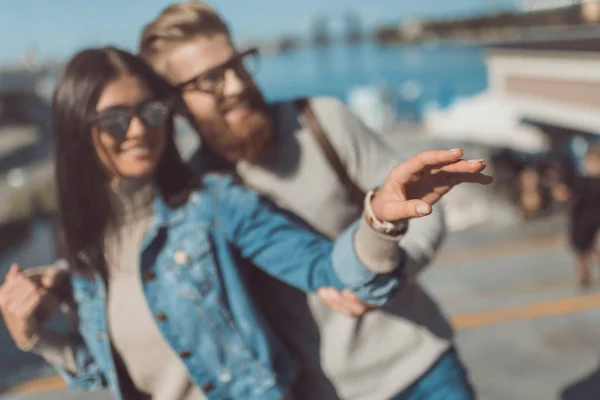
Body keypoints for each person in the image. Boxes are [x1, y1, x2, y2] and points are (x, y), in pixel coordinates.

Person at [0, 47, 491, 400]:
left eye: (149, 111)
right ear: (76, 131)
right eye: (113, 120)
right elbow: (108, 369)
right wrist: (37, 336)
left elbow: (327, 269)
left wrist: (379, 222)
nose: (138, 130)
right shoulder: (85, 246)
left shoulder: (212, 204)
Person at [138, 2, 488, 398]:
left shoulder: (321, 121)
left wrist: (389, 276)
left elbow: (421, 209)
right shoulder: (196, 195)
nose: (236, 85)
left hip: (420, 365)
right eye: (210, 80)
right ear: (176, 104)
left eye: (237, 65)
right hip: (325, 391)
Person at [569, 145, 600, 287]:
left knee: (594, 248)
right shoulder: (581, 180)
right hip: (581, 220)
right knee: (581, 251)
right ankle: (584, 276)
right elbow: (575, 200)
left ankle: (585, 276)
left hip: (595, 220)